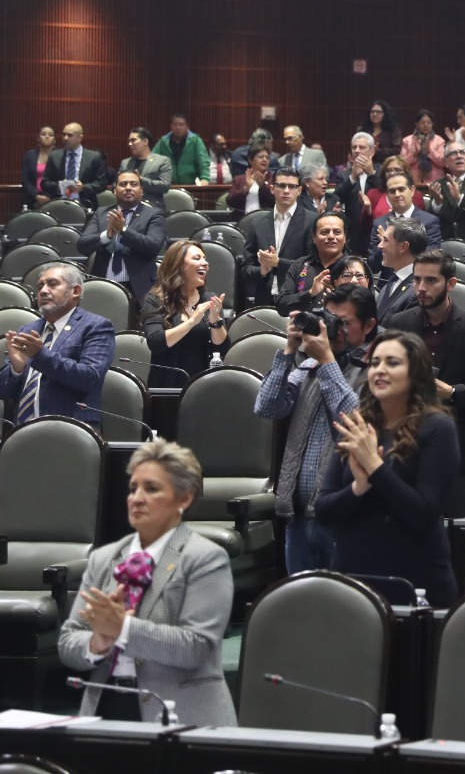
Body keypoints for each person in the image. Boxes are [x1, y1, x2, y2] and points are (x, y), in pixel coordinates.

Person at [58, 439, 237, 726]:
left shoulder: (205, 559)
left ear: (185, 498)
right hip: (105, 708)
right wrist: (97, 642)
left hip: (181, 716)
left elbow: (197, 647)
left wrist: (123, 629)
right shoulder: (103, 558)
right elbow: (68, 640)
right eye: (133, 489)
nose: (136, 498)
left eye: (151, 489)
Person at [316, 330, 459, 606]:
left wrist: (375, 468)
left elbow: (423, 514)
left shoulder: (438, 428)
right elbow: (323, 512)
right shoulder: (358, 425)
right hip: (352, 578)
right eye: (375, 363)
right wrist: (358, 488)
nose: (380, 370)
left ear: (414, 373)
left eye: (392, 363)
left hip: (415, 581)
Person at [255, 284, 377, 575]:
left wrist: (326, 362)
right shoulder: (308, 367)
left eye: (344, 323)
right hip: (297, 515)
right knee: (299, 606)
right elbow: (267, 407)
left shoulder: (377, 370)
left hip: (346, 517)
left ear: (369, 325)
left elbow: (355, 421)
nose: (333, 330)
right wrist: (289, 351)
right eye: (329, 320)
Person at [386, 250, 465, 518]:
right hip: (406, 448)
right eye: (416, 280)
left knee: (456, 539)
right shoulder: (400, 323)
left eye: (430, 281)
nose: (421, 288)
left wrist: (452, 392)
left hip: (459, 452)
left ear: (451, 284)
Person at [0, 263, 113, 429]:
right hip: (21, 432)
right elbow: (4, 391)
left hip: (71, 431)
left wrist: (40, 355)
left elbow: (90, 378)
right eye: (40, 286)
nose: (43, 291)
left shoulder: (96, 326)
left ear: (76, 291)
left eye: (52, 284)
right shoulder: (28, 329)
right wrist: (16, 370)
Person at [140, 242, 227, 388]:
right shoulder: (155, 300)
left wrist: (215, 322)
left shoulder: (209, 298)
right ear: (178, 265)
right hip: (166, 387)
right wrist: (192, 321)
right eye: (197, 258)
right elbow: (155, 342)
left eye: (205, 259)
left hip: (203, 385)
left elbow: (222, 348)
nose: (205, 263)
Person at [76, 169, 168, 304]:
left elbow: (153, 246)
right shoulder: (102, 213)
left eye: (133, 184)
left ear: (141, 190)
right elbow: (82, 245)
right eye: (123, 184)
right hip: (103, 284)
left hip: (139, 288)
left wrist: (123, 230)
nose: (128, 188)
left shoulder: (154, 214)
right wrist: (106, 235)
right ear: (114, 190)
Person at [239, 166, 318, 306]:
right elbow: (245, 269)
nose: (286, 191)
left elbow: (313, 267)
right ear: (272, 189)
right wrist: (262, 270)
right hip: (264, 301)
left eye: (292, 186)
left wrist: (278, 263)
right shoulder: (257, 223)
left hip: (297, 300)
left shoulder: (312, 221)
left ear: (299, 191)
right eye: (281, 185)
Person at [367, 170, 441, 274]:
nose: (397, 194)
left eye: (401, 189)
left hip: (418, 279)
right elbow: (372, 266)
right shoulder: (380, 223)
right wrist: (384, 245)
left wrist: (394, 245)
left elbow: (432, 258)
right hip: (387, 282)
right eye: (392, 191)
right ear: (387, 195)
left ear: (412, 190)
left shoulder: (429, 221)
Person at [276, 213, 350, 314]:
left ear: (345, 237)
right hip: (303, 328)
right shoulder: (300, 265)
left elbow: (366, 307)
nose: (331, 236)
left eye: (337, 232)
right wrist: (310, 293)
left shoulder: (356, 267)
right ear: (314, 237)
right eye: (324, 232)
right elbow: (282, 306)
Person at [373, 216, 431, 321]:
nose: (380, 246)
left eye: (385, 240)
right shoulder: (391, 282)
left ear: (403, 247)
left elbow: (405, 335)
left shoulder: (419, 291)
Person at [334, 132, 382, 256]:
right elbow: (337, 197)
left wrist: (371, 174)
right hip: (352, 233)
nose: (356, 150)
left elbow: (384, 193)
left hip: (377, 231)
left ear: (372, 151)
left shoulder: (381, 172)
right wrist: (353, 178)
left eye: (361, 147)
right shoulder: (343, 175)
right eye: (354, 147)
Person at [42, 122, 110, 208]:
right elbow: (44, 182)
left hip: (85, 204)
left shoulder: (94, 157)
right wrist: (60, 187)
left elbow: (101, 184)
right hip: (59, 204)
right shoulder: (54, 156)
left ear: (80, 138)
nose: (65, 138)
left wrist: (83, 188)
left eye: (70, 135)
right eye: (64, 135)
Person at [118, 127, 173, 206]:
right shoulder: (125, 163)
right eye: (129, 141)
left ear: (145, 141)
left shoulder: (162, 161)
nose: (129, 144)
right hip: (128, 207)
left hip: (153, 208)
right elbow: (115, 185)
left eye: (133, 140)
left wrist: (140, 180)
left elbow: (164, 186)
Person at [153, 114, 211, 186]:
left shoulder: (195, 141)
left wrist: (205, 178)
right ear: (171, 126)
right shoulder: (163, 142)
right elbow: (153, 159)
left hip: (191, 184)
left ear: (187, 127)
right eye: (175, 124)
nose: (178, 127)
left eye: (181, 125)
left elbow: (203, 161)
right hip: (168, 185)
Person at [226, 145, 274, 217]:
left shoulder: (273, 179)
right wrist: (245, 188)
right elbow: (230, 202)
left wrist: (262, 187)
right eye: (261, 157)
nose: (265, 159)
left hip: (267, 221)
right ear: (250, 160)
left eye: (267, 157)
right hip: (242, 221)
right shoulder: (239, 179)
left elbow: (277, 201)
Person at [401, 109, 446, 185]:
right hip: (413, 181)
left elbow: (443, 163)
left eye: (429, 122)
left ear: (432, 124)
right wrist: (414, 154)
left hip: (435, 182)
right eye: (422, 122)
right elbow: (401, 163)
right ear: (417, 124)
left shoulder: (439, 140)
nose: (426, 125)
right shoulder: (407, 140)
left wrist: (430, 152)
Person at [21, 125, 56, 207]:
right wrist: (36, 195)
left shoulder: (59, 156)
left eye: (50, 135)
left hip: (53, 199)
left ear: (54, 140)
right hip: (32, 198)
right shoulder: (30, 155)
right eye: (43, 134)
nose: (47, 137)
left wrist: (47, 196)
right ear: (38, 138)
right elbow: (25, 180)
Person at [361, 99, 401, 165]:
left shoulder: (393, 130)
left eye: (378, 112)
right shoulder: (363, 130)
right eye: (372, 111)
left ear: (385, 114)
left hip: (386, 165)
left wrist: (379, 151)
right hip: (365, 164)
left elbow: (397, 150)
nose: (374, 114)